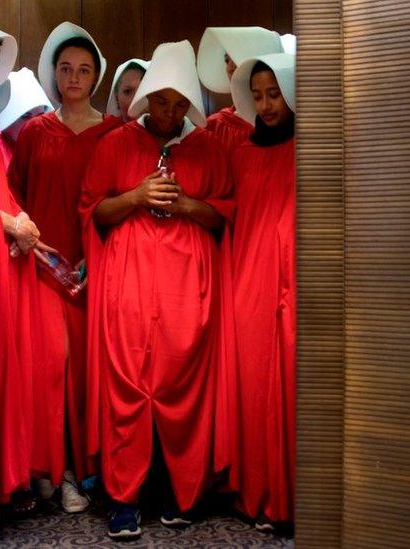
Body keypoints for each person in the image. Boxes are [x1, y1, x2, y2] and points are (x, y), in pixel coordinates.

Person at [80, 40, 234, 539]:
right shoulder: (115, 144)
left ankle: (179, 492)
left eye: (178, 104)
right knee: (128, 385)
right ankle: (124, 499)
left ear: (189, 104)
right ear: (146, 98)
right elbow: (94, 211)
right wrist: (136, 195)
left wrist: (187, 204)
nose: (168, 112)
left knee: (181, 386)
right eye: (161, 101)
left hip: (188, 289)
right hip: (129, 286)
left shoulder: (209, 149)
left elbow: (224, 215)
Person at [8, 21, 121, 514]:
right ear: (54, 73)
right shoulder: (34, 132)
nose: (74, 77)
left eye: (84, 69)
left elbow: (121, 201)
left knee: (89, 377)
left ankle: (87, 471)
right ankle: (52, 471)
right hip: (43, 271)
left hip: (100, 272)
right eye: (65, 69)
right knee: (49, 371)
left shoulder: (115, 133)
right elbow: (14, 198)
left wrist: (104, 258)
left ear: (96, 77)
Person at [228, 52, 296, 532]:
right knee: (253, 391)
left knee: (293, 389)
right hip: (250, 283)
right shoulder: (243, 153)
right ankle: (259, 496)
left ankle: (294, 500)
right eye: (257, 96)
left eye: (274, 94)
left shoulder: (311, 148)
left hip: (294, 280)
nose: (266, 105)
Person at [0, 27, 51, 515]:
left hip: (7, 270)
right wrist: (6, 223)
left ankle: (7, 483)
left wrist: (20, 224)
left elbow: (5, 200)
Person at [197, 26, 283, 162]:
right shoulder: (215, 125)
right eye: (227, 60)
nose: (230, 67)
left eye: (236, 57)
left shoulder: (287, 124)